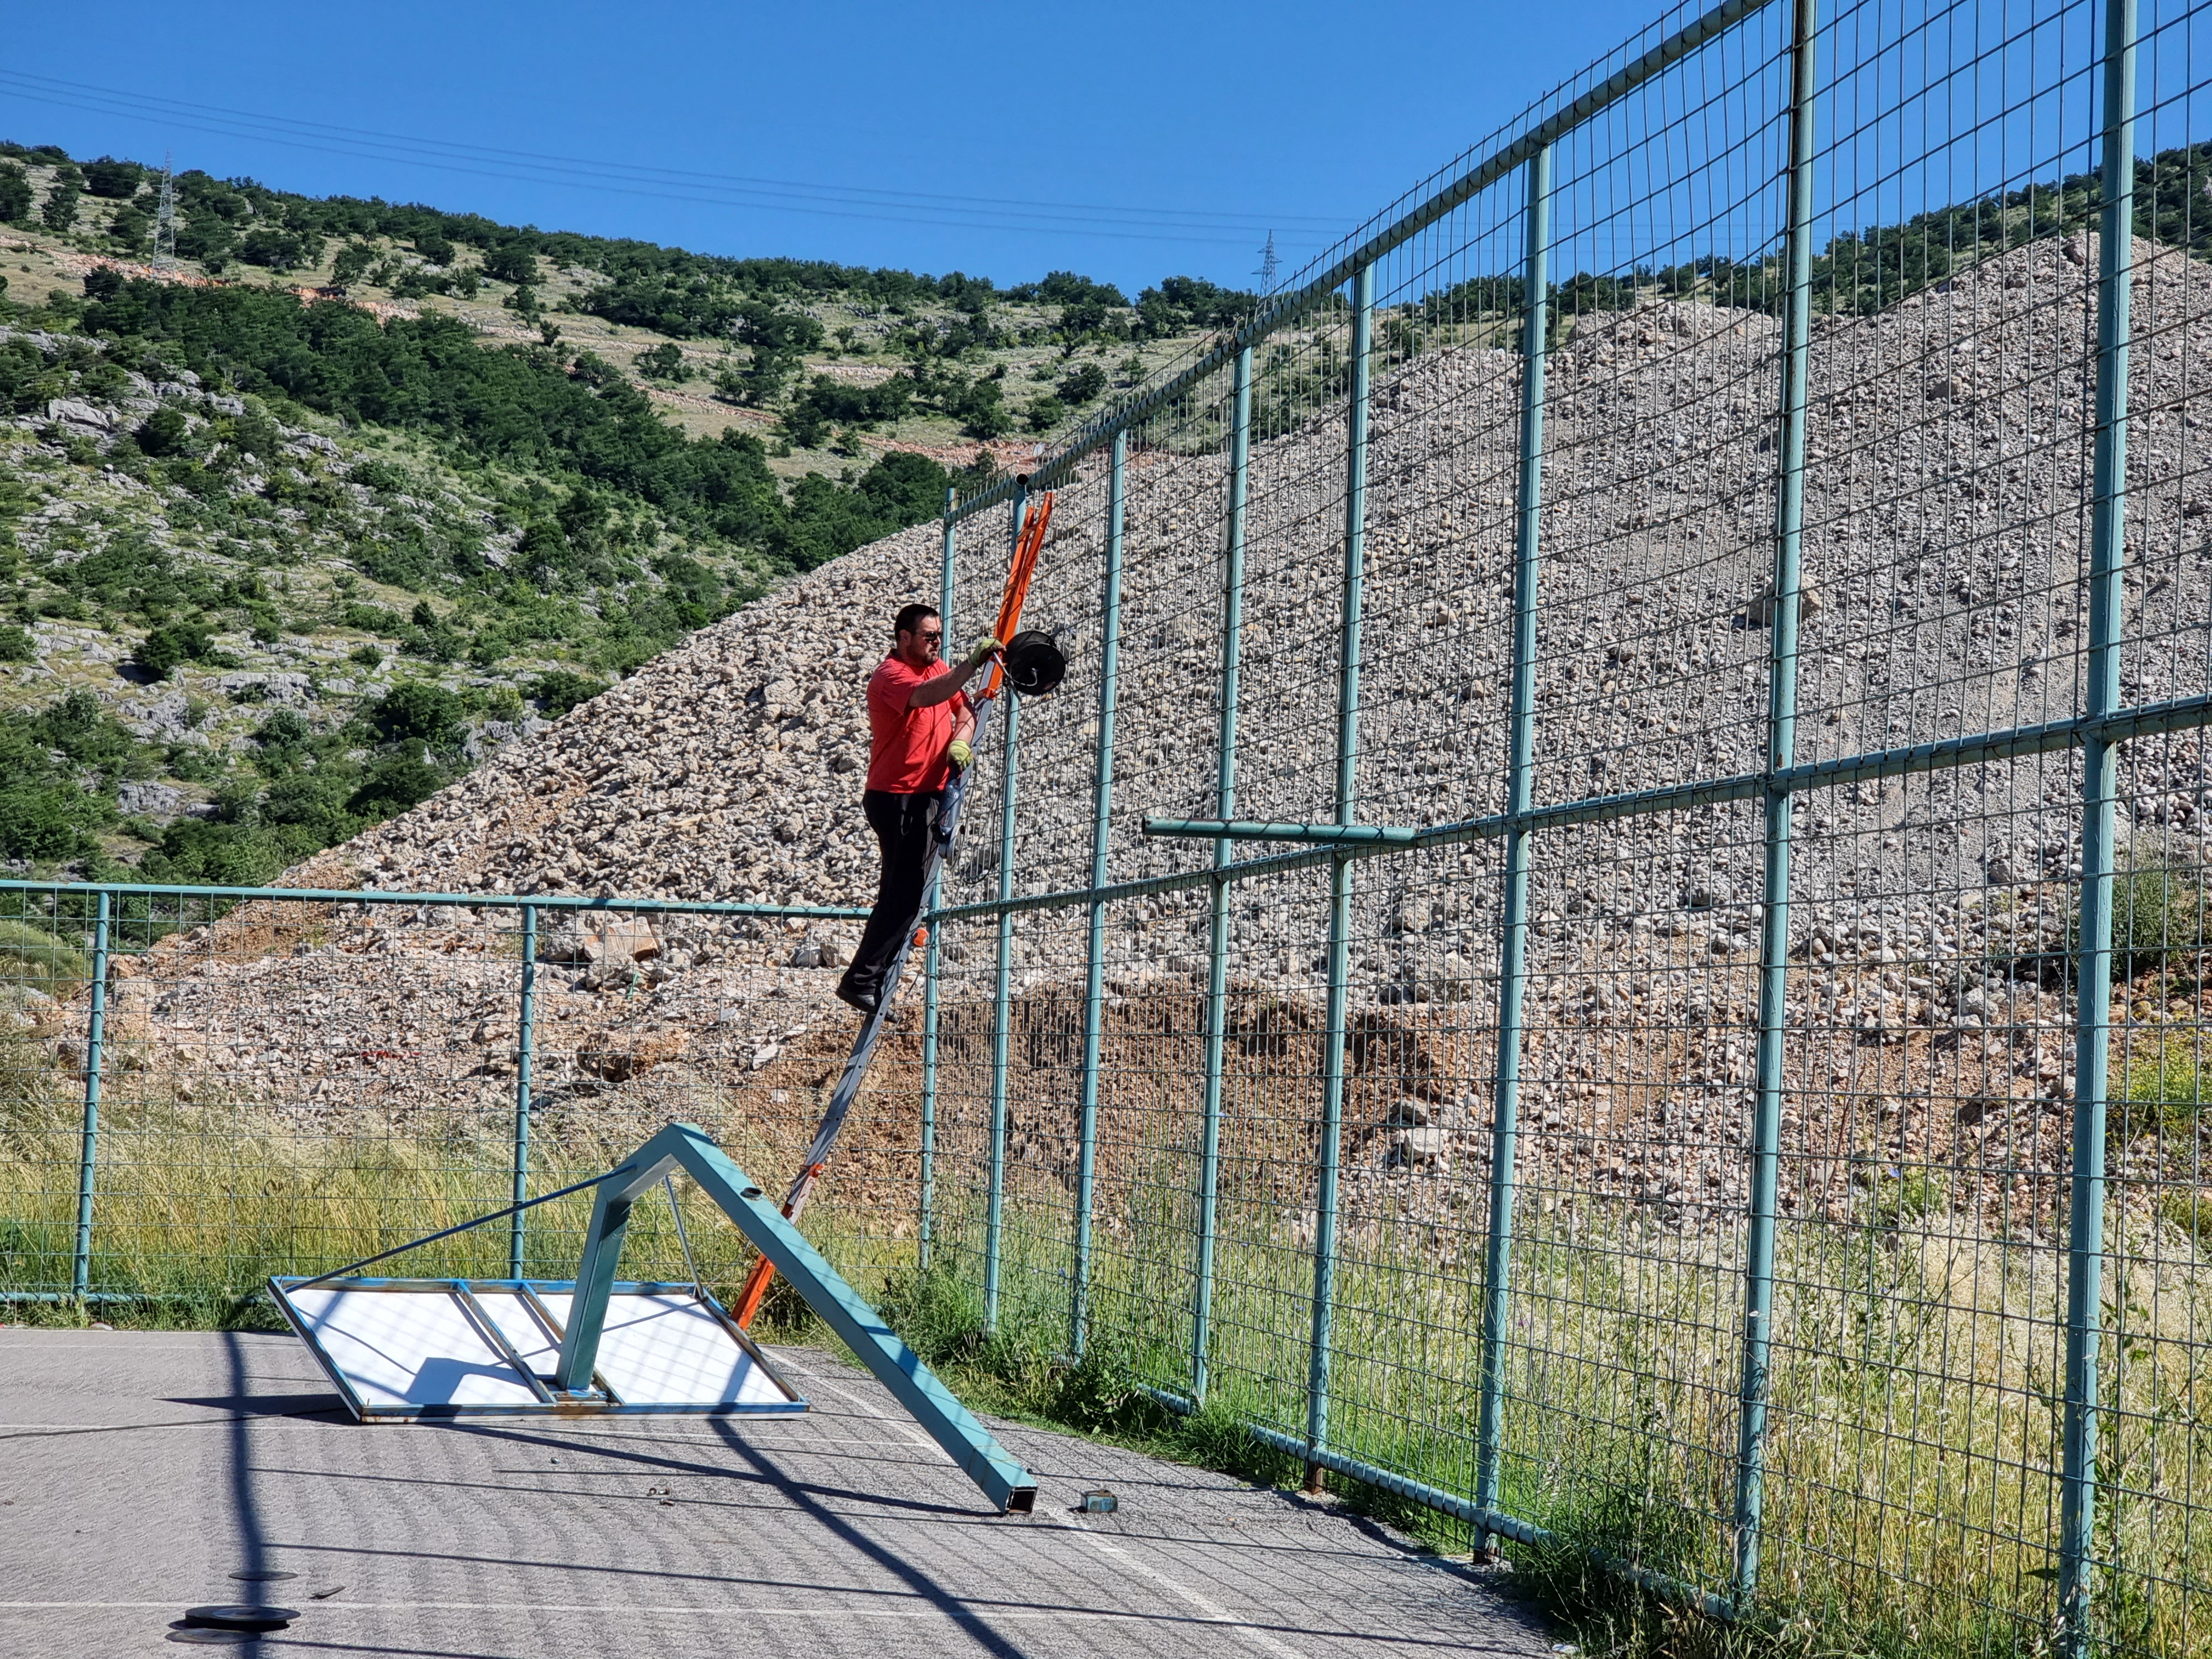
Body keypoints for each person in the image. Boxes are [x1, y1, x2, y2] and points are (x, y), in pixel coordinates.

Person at [835, 604, 999, 1015]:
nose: (935, 642)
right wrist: (969, 664)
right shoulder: (890, 676)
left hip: (924, 794)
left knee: (902, 892)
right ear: (904, 638)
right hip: (896, 797)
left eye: (939, 635)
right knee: (903, 894)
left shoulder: (936, 667)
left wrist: (960, 740)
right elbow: (928, 697)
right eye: (928, 636)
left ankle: (870, 977)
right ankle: (862, 981)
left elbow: (964, 711)